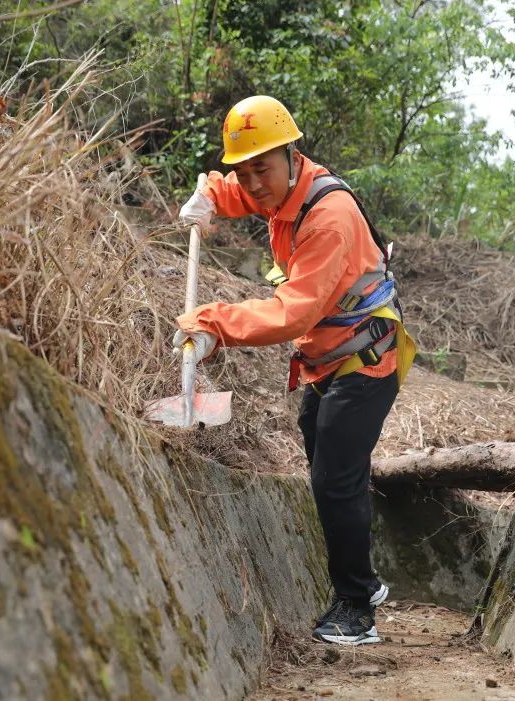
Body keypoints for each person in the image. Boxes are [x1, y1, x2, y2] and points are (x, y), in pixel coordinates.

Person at [173, 95, 415, 645]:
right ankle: (364, 579)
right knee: (321, 445)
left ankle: (356, 608)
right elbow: (245, 190)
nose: (253, 183)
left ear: (292, 153)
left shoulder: (327, 217)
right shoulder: (282, 189)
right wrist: (212, 195)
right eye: (243, 170)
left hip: (366, 356)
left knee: (334, 476)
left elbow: (293, 313)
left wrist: (216, 323)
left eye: (262, 167)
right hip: (330, 357)